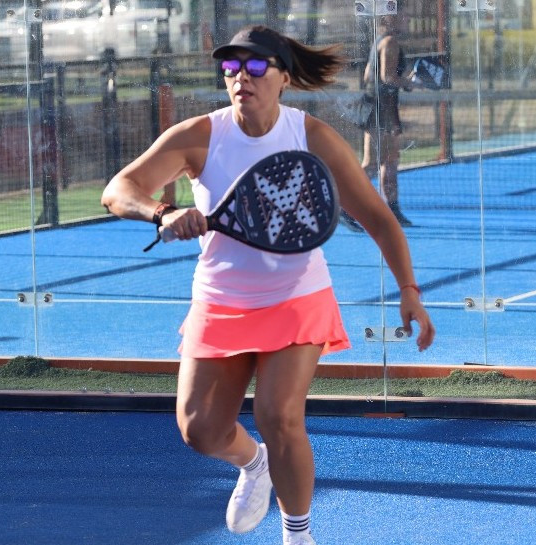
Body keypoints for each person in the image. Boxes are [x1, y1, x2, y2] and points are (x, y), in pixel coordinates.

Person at [101, 25, 435, 545]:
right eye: (231, 68)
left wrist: (409, 291)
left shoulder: (312, 137)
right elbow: (118, 189)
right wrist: (161, 212)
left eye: (257, 66)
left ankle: (298, 535)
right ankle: (254, 464)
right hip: (220, 299)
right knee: (200, 431)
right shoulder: (198, 136)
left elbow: (377, 218)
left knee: (278, 416)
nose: (242, 77)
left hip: (296, 297)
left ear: (284, 78)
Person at [360, 12, 416, 227]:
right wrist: (411, 83)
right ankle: (344, 206)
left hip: (382, 107)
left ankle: (392, 210)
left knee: (390, 160)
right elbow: (388, 77)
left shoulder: (379, 42)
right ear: (391, 18)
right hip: (380, 109)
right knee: (373, 163)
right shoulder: (390, 42)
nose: (407, 19)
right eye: (403, 16)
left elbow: (368, 76)